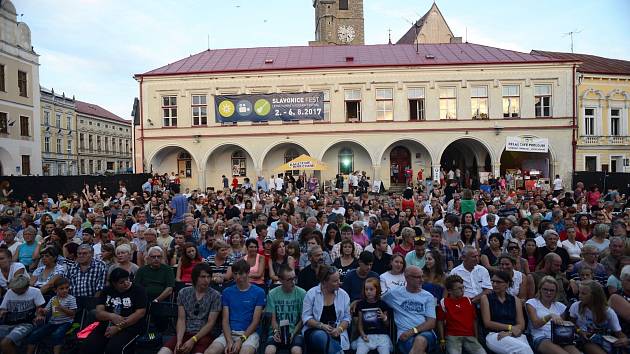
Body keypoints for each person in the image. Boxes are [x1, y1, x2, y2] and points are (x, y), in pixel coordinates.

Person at [157, 263, 221, 354]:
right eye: (202, 277)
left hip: (204, 335)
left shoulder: (215, 296)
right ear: (195, 278)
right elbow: (181, 319)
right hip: (185, 333)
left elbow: (211, 323)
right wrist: (179, 340)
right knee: (163, 352)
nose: (206, 280)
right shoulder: (183, 293)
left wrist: (193, 339)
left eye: (208, 277)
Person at [81, 268, 148, 354]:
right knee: (89, 345)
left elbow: (139, 314)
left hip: (130, 327)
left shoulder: (138, 290)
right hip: (106, 324)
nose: (126, 283)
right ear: (114, 284)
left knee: (114, 349)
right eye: (121, 282)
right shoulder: (107, 290)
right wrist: (112, 316)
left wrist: (118, 327)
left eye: (127, 279)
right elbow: (98, 313)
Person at [206, 259, 265, 354]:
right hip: (229, 332)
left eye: (241, 273)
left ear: (248, 273)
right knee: (210, 351)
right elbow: (225, 320)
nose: (238, 277)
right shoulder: (227, 292)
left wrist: (241, 340)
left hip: (249, 334)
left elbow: (255, 321)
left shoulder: (259, 292)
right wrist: (229, 341)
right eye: (235, 274)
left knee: (245, 352)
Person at [383, 265, 436, 354]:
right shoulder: (394, 294)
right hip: (404, 336)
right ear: (407, 277)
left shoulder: (428, 296)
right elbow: (375, 298)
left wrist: (413, 331)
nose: (422, 280)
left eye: (422, 276)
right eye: (418, 277)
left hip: (426, 334)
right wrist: (356, 302)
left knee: (419, 340)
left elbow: (431, 323)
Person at [301, 264, 351, 354]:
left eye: (339, 279)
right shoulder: (311, 294)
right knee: (322, 335)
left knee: (329, 339)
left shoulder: (344, 295)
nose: (339, 282)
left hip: (336, 332)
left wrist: (339, 329)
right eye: (335, 281)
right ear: (324, 282)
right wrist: (321, 326)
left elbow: (347, 318)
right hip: (314, 331)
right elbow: (306, 317)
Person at [480, 270, 533, 354]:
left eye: (498, 282)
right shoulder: (486, 298)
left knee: (526, 349)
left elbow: (521, 324)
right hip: (494, 335)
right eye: (493, 281)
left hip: (514, 333)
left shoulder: (515, 300)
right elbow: (487, 323)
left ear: (507, 284)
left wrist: (510, 332)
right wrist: (510, 327)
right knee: (524, 349)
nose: (494, 284)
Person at [569, 280, 628, 354]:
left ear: (595, 296)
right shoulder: (576, 306)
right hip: (583, 339)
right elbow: (571, 324)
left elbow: (619, 333)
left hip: (603, 340)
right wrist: (579, 331)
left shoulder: (608, 312)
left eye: (583, 293)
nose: (579, 295)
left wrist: (626, 340)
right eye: (579, 292)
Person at [526, 276, 580, 354]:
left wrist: (578, 330)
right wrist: (550, 316)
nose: (548, 293)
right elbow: (535, 324)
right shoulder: (532, 303)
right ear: (540, 289)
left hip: (560, 336)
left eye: (552, 290)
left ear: (555, 292)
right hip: (541, 337)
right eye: (545, 289)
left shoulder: (560, 306)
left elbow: (568, 324)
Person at [25, 277, 77, 354]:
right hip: (53, 322)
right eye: (61, 288)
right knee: (35, 334)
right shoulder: (53, 299)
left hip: (65, 322)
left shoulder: (71, 298)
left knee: (56, 335)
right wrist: (42, 310)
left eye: (67, 288)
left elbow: (73, 313)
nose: (65, 290)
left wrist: (61, 307)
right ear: (55, 290)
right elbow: (47, 310)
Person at [437, 274, 486, 354]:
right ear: (449, 291)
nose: (462, 290)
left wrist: (476, 337)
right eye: (459, 288)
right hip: (452, 336)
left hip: (469, 336)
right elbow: (440, 322)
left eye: (463, 287)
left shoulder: (468, 301)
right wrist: (442, 340)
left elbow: (474, 320)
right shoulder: (444, 302)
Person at [264, 264, 306, 354]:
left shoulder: (302, 293)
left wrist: (293, 333)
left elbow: (302, 319)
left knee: (296, 351)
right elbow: (273, 319)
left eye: (294, 278)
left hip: (295, 331)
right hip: (276, 333)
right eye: (289, 280)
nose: (293, 282)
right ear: (280, 280)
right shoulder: (272, 294)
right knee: (269, 350)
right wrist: (276, 332)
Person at [0, 274, 46, 354]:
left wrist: (39, 315)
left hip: (26, 324)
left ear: (26, 287)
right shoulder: (10, 292)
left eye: (17, 290)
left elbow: (40, 308)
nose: (14, 291)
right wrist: (2, 312)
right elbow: (3, 308)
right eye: (14, 289)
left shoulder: (35, 292)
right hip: (8, 323)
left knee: (5, 343)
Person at [354, 277, 392, 354]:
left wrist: (384, 317)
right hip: (366, 335)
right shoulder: (361, 305)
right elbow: (360, 323)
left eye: (371, 289)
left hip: (382, 336)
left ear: (377, 290)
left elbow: (388, 324)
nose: (368, 292)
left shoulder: (382, 304)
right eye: (366, 289)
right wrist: (362, 334)